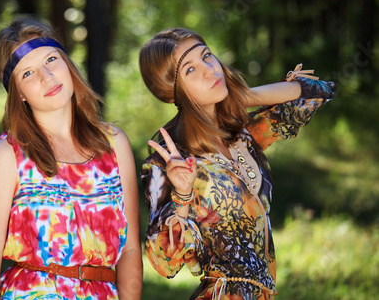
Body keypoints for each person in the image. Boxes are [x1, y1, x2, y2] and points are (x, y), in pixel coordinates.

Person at [139, 27, 335, 299]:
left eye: (206, 56)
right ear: (170, 91)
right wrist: (182, 195)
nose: (209, 69)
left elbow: (316, 93)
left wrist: (242, 98)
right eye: (190, 70)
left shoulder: (242, 133)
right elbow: (165, 263)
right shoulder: (169, 157)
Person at [0, 17, 142, 300]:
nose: (46, 76)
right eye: (27, 73)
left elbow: (131, 250)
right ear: (19, 95)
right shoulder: (6, 155)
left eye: (51, 59)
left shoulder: (113, 145)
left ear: (67, 63)